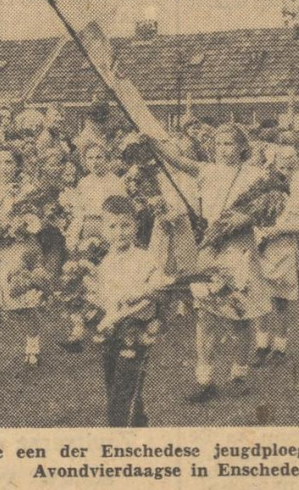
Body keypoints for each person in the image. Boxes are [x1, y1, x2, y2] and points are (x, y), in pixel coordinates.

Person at [153, 123, 272, 402]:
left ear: (242, 147)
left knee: (238, 316)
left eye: (229, 144)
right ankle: (204, 379)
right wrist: (153, 143)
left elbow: (271, 203)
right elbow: (177, 160)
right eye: (219, 144)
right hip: (210, 249)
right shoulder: (207, 171)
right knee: (205, 314)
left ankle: (239, 374)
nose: (223, 150)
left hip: (239, 250)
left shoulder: (255, 175)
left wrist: (247, 219)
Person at [0, 145, 65, 380]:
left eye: (8, 162)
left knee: (22, 307)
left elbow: (40, 222)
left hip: (21, 251)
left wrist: (26, 223)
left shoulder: (28, 190)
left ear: (17, 165)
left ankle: (33, 345)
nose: (3, 167)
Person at [88, 195, 175, 426]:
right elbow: (103, 295)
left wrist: (137, 296)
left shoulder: (145, 259)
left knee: (124, 387)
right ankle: (138, 424)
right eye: (112, 226)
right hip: (111, 329)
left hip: (136, 329)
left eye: (125, 225)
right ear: (103, 229)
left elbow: (157, 291)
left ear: (135, 226)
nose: (119, 232)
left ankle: (118, 433)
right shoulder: (106, 261)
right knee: (112, 382)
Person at [253, 146, 299, 366]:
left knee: (280, 300)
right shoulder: (264, 188)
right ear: (274, 166)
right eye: (282, 167)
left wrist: (280, 230)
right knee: (260, 297)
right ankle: (262, 344)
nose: (285, 171)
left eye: (290, 168)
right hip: (262, 247)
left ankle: (280, 346)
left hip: (284, 248)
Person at [66, 143, 127, 250]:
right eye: (90, 158)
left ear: (106, 159)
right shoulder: (83, 183)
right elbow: (79, 212)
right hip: (88, 230)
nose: (94, 162)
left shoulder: (115, 182)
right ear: (85, 161)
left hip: (109, 229)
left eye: (99, 157)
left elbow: (122, 212)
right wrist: (74, 236)